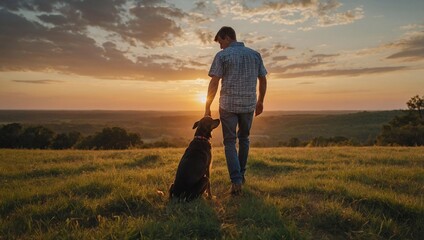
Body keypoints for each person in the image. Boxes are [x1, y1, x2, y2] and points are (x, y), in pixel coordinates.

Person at [204, 26, 267, 195]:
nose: (220, 46)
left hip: (228, 105)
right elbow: (263, 79)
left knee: (230, 142)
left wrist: (207, 106)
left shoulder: (222, 56)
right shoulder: (254, 55)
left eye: (220, 42)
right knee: (244, 138)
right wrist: (260, 101)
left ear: (226, 37)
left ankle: (236, 181)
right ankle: (241, 176)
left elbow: (214, 83)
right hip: (248, 105)